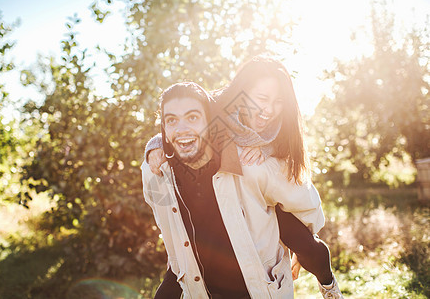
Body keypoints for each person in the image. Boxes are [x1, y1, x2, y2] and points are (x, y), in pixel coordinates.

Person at [145, 55, 344, 298]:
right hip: (226, 185)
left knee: (307, 247)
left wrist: (265, 149)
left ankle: (328, 285)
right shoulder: (218, 107)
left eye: (278, 101)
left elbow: (286, 169)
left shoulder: (280, 127)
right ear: (241, 94)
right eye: (261, 98)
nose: (268, 110)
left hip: (259, 191)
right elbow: (182, 123)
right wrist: (155, 145)